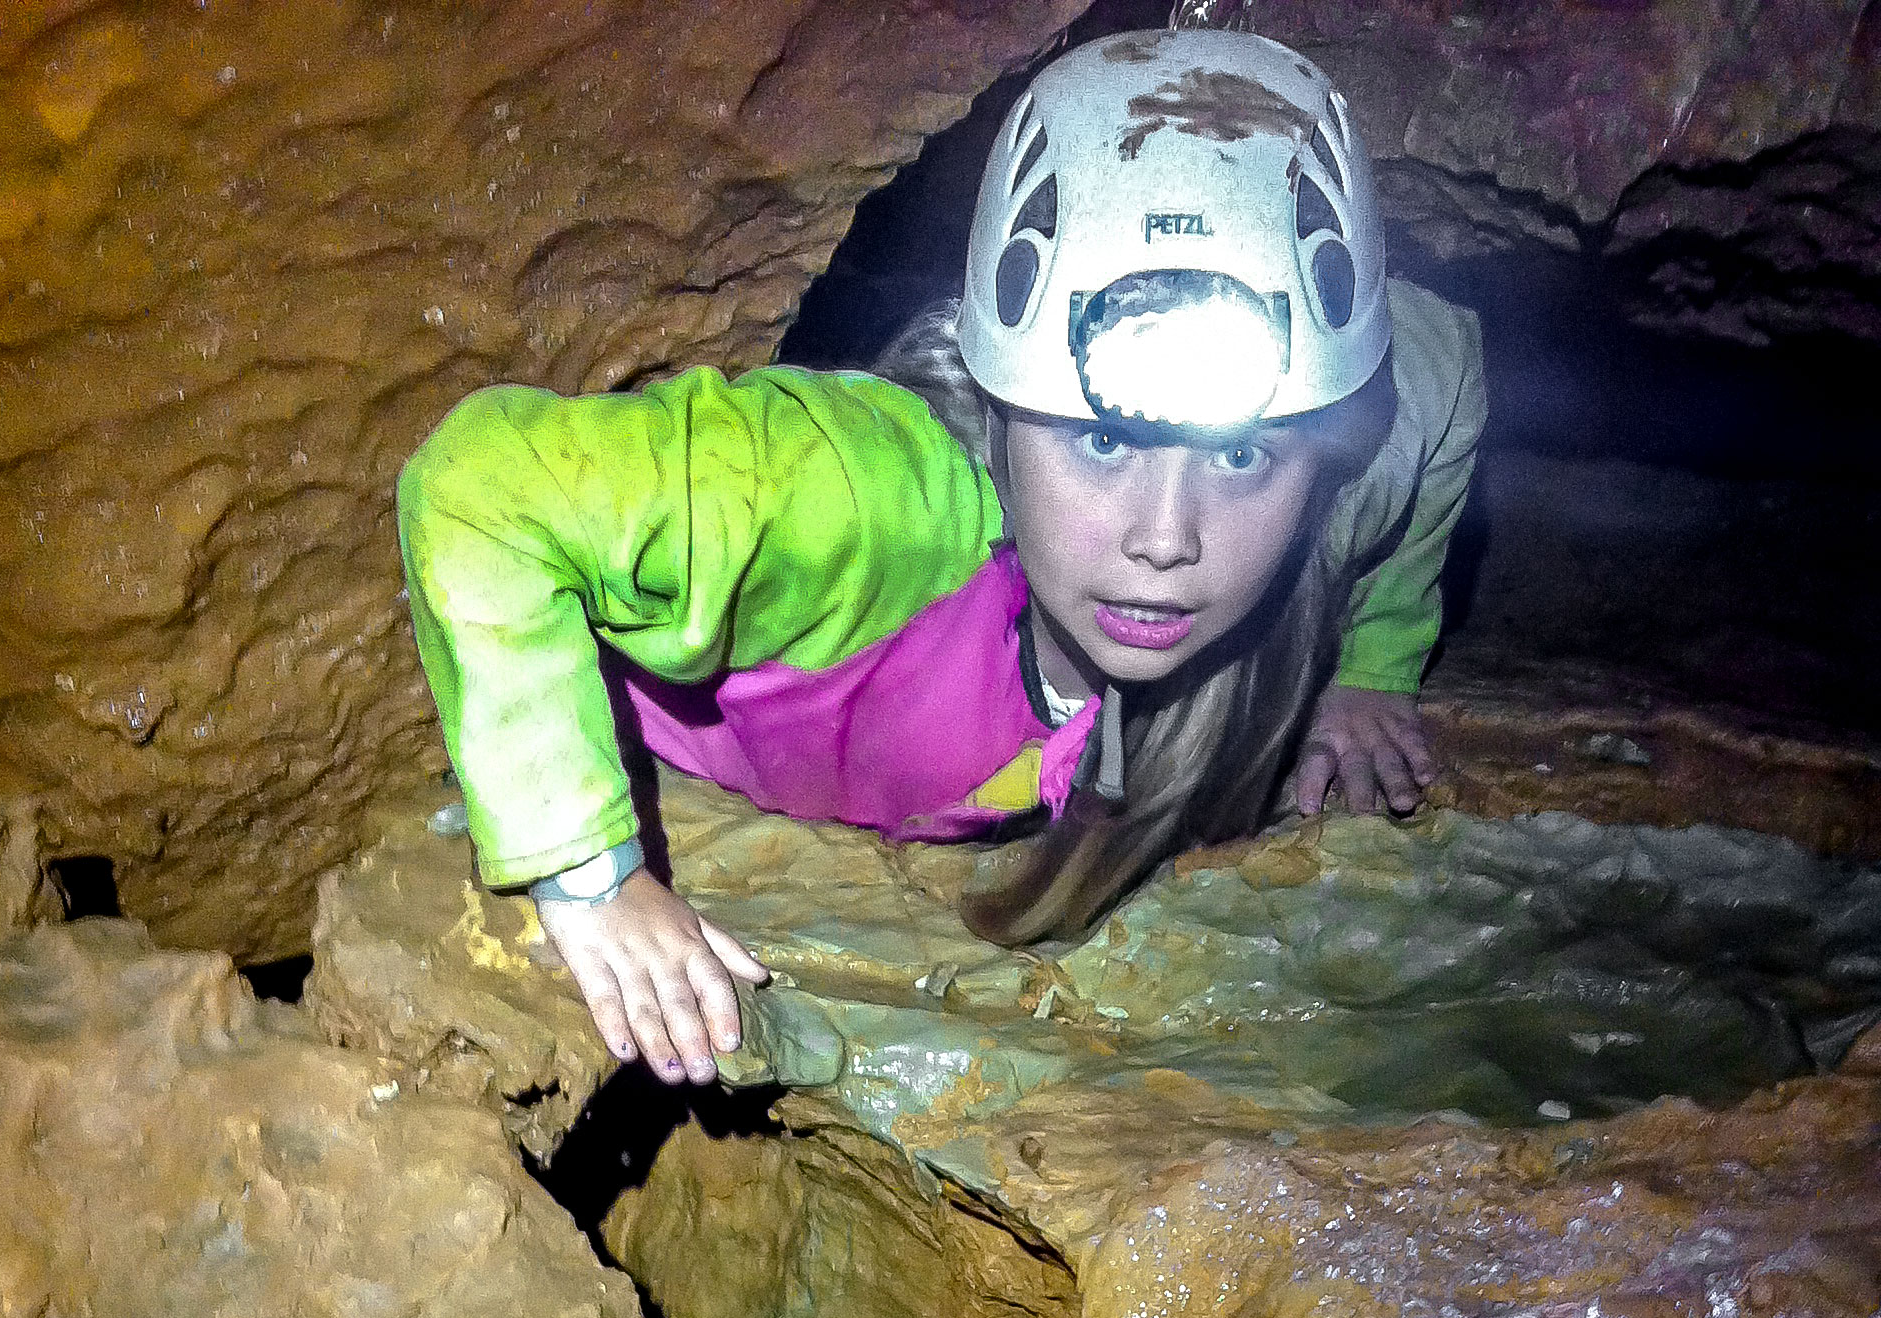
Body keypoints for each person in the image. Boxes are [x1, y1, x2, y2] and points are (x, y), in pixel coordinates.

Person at [397, 25, 1485, 1088]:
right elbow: (481, 482)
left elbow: (1446, 362)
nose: (1168, 536)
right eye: (1101, 439)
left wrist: (1370, 664)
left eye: (1243, 454)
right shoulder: (858, 498)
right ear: (1001, 409)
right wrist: (591, 876)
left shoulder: (1335, 485)